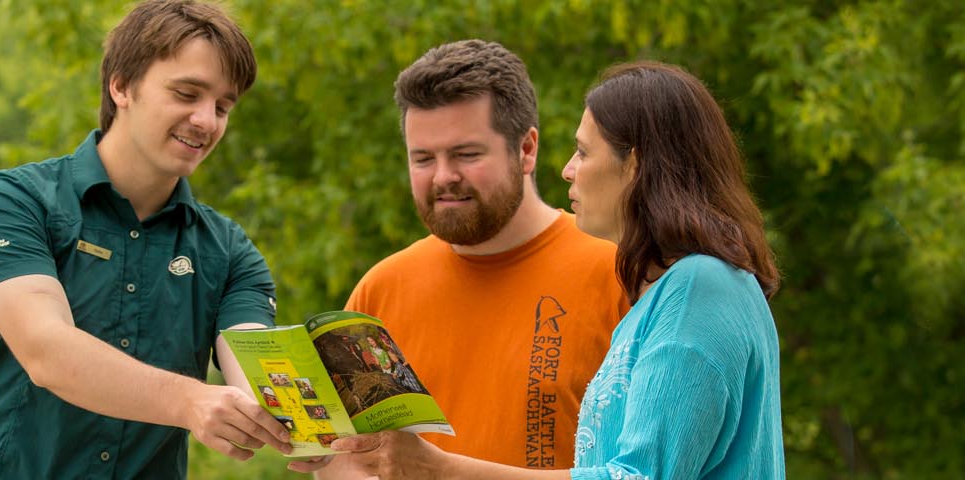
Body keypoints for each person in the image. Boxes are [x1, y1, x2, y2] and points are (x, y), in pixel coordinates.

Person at [321, 61, 786, 480]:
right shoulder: (674, 290)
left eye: (584, 153)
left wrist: (437, 468)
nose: (567, 170)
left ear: (635, 167)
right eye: (422, 157)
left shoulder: (699, 288)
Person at [0, 1, 293, 478]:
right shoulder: (13, 201)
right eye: (187, 93)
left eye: (222, 107)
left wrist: (310, 423)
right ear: (122, 86)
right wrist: (192, 400)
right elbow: (47, 351)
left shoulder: (229, 251)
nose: (207, 121)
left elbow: (258, 373)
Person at [300, 40, 630, 476]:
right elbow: (346, 460)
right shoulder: (382, 289)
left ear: (527, 149)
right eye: (423, 159)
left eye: (466, 154)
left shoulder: (620, 272)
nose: (443, 177)